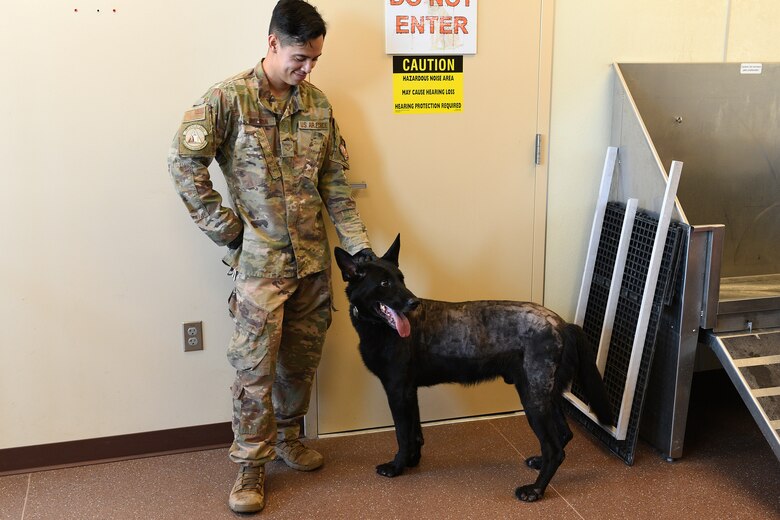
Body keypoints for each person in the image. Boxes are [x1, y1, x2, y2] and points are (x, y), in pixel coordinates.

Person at [167, 0, 374, 513]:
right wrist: (232, 234)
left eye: (315, 61)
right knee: (254, 370)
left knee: (300, 363)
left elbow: (335, 185)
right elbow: (184, 165)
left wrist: (359, 246)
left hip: (311, 265)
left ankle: (289, 438)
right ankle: (250, 468)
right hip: (260, 269)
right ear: (272, 44)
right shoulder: (227, 100)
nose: (306, 70)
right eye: (299, 58)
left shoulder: (319, 106)